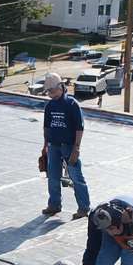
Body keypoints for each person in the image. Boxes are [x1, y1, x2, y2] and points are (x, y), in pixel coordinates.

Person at [40, 73, 91, 219]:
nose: (51, 94)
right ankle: (54, 204)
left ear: (60, 87)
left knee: (76, 177)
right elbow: (47, 127)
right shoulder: (50, 106)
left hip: (69, 146)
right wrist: (45, 146)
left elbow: (79, 128)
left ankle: (84, 208)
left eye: (52, 91)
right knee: (53, 177)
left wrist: (76, 148)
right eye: (48, 92)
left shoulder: (72, 104)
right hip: (54, 146)